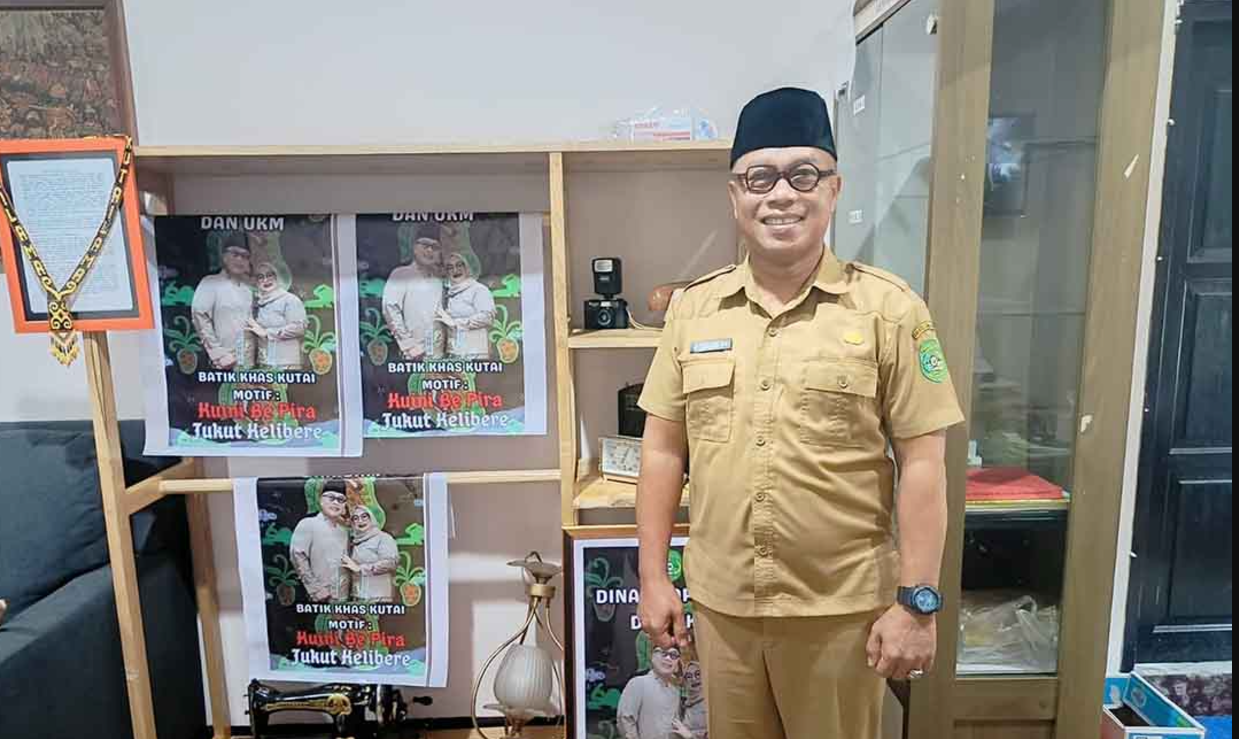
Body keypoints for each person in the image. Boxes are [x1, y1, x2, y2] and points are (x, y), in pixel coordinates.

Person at [635, 88, 965, 739]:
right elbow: (662, 449)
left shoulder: (888, 310)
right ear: (735, 196)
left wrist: (917, 603)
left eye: (803, 174)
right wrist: (652, 576)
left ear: (833, 189)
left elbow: (924, 464)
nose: (781, 195)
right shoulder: (694, 311)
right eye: (759, 177)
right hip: (726, 610)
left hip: (840, 615)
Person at [192, 234, 256, 370]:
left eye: (245, 256)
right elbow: (199, 318)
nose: (240, 259)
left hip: (248, 361)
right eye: (235, 254)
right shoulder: (210, 283)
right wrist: (218, 354)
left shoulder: (248, 289)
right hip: (223, 362)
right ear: (224, 257)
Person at [383, 235, 446, 361]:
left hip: (439, 354)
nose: (430, 250)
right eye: (425, 245)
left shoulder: (439, 280)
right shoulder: (401, 274)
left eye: (435, 247)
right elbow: (390, 310)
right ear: (414, 248)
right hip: (413, 354)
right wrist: (409, 345)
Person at [289, 482, 352, 603]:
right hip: (319, 596)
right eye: (331, 498)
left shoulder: (344, 531)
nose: (336, 503)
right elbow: (297, 556)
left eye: (341, 500)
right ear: (321, 500)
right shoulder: (308, 523)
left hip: (343, 596)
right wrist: (315, 589)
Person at [247, 261, 307, 370]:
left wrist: (267, 333)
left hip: (286, 364)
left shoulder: (290, 300)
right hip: (266, 362)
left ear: (277, 277)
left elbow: (299, 328)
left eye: (269, 275)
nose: (265, 280)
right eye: (260, 277)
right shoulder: (258, 304)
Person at [437, 250, 496, 360]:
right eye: (450, 267)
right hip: (455, 353)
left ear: (467, 268)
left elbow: (487, 317)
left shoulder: (478, 289)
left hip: (475, 353)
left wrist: (456, 323)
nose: (455, 270)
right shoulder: (448, 294)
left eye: (459, 265)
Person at [616, 646, 683, 739]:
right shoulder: (638, 683)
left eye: (674, 655)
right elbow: (625, 720)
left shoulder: (675, 692)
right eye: (663, 653)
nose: (668, 658)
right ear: (653, 657)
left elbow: (676, 726)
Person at [341, 506, 399, 603]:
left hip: (378, 597)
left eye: (364, 517)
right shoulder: (355, 541)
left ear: (371, 518)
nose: (360, 521)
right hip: (359, 596)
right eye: (355, 518)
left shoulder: (383, 538)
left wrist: (360, 569)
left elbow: (391, 562)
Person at [672, 659, 707, 739]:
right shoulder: (685, 704)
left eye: (698, 674)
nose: (693, 679)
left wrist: (690, 735)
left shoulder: (711, 702)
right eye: (689, 676)